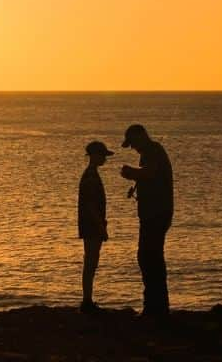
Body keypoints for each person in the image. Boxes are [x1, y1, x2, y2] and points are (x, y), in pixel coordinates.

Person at [119, 124, 174, 318]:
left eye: (133, 142)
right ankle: (156, 306)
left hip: (156, 214)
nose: (133, 147)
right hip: (153, 213)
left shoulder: (154, 151)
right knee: (150, 257)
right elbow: (149, 175)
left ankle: (155, 307)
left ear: (141, 137)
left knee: (149, 257)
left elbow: (149, 172)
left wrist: (131, 172)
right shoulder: (150, 152)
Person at [78, 140, 113, 313]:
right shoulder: (91, 177)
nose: (105, 159)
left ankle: (87, 300)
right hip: (92, 226)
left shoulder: (90, 174)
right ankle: (87, 301)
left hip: (90, 225)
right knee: (91, 262)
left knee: (90, 262)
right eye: (103, 155)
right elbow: (91, 206)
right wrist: (101, 227)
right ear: (94, 156)